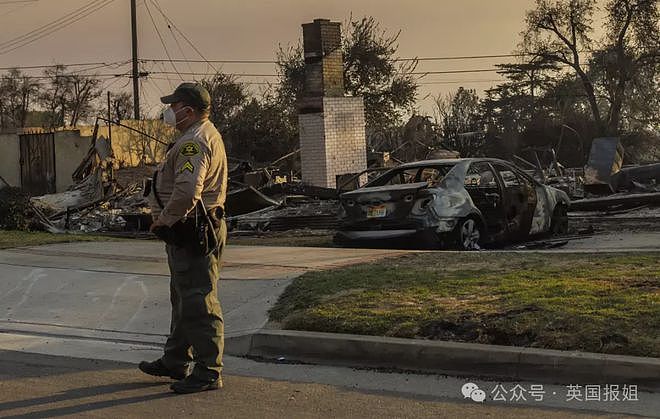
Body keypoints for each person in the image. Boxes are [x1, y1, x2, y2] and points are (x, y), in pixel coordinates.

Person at [139, 82, 228, 394]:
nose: (169, 111)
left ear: (187, 110)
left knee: (198, 300)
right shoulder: (197, 135)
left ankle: (208, 371)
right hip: (188, 230)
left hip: (193, 230)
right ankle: (176, 360)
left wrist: (164, 220)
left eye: (173, 105)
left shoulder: (195, 142)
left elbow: (189, 190)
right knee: (183, 296)